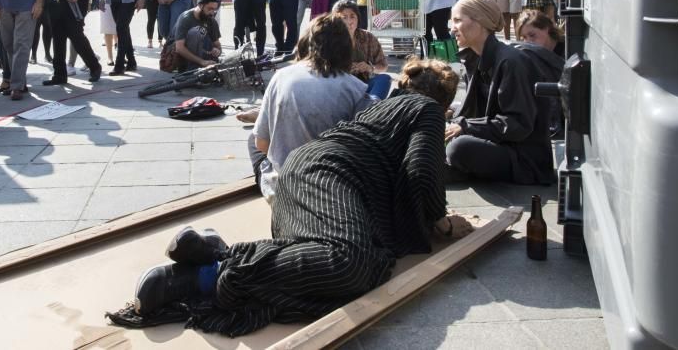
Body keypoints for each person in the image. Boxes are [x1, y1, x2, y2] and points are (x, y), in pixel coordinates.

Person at [116, 75, 471, 333]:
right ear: (445, 104)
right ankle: (208, 273)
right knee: (351, 261)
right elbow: (422, 170)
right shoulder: (425, 108)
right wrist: (440, 219)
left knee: (346, 269)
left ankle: (210, 250)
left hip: (305, 171)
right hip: (327, 173)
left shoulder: (384, 111)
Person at [250, 13, 375, 200]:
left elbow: (262, 144)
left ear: (304, 43)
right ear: (346, 49)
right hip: (335, 190)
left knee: (253, 139)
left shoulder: (281, 76)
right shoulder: (355, 89)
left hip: (285, 190)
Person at [444, 0, 554, 184]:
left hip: (523, 159)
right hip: (499, 144)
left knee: (459, 147)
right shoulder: (475, 58)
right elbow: (475, 112)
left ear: (480, 21)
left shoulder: (511, 62)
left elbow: (518, 124)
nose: (452, 28)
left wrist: (465, 126)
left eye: (458, 20)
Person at [332, 0, 391, 99]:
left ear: (358, 18)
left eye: (352, 16)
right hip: (339, 85)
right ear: (336, 20)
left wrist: (370, 68)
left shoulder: (368, 37)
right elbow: (320, 68)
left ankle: (372, 105)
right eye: (344, 17)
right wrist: (343, 69)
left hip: (364, 84)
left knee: (385, 79)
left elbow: (383, 66)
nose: (349, 21)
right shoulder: (329, 38)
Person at [172, 0, 223, 70]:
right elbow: (179, 48)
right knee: (195, 32)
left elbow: (217, 44)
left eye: (214, 9)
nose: (212, 13)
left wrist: (218, 51)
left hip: (202, 55)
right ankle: (191, 70)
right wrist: (202, 62)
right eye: (210, 9)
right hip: (181, 58)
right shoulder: (186, 18)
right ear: (200, 5)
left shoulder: (211, 20)